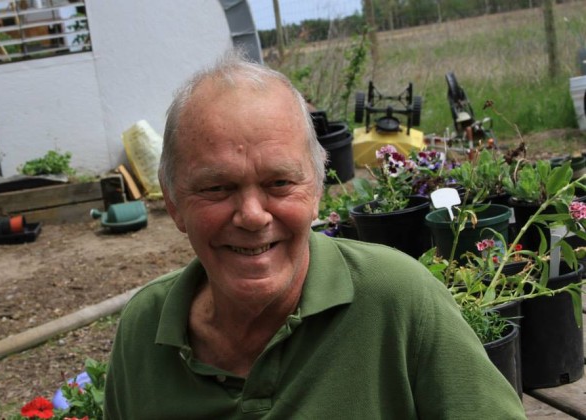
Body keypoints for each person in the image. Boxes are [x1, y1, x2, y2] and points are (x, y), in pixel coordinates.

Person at [103, 49, 526, 419]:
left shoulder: (397, 301)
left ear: (318, 190)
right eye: (217, 188)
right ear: (174, 202)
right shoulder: (144, 330)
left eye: (280, 183)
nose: (252, 215)